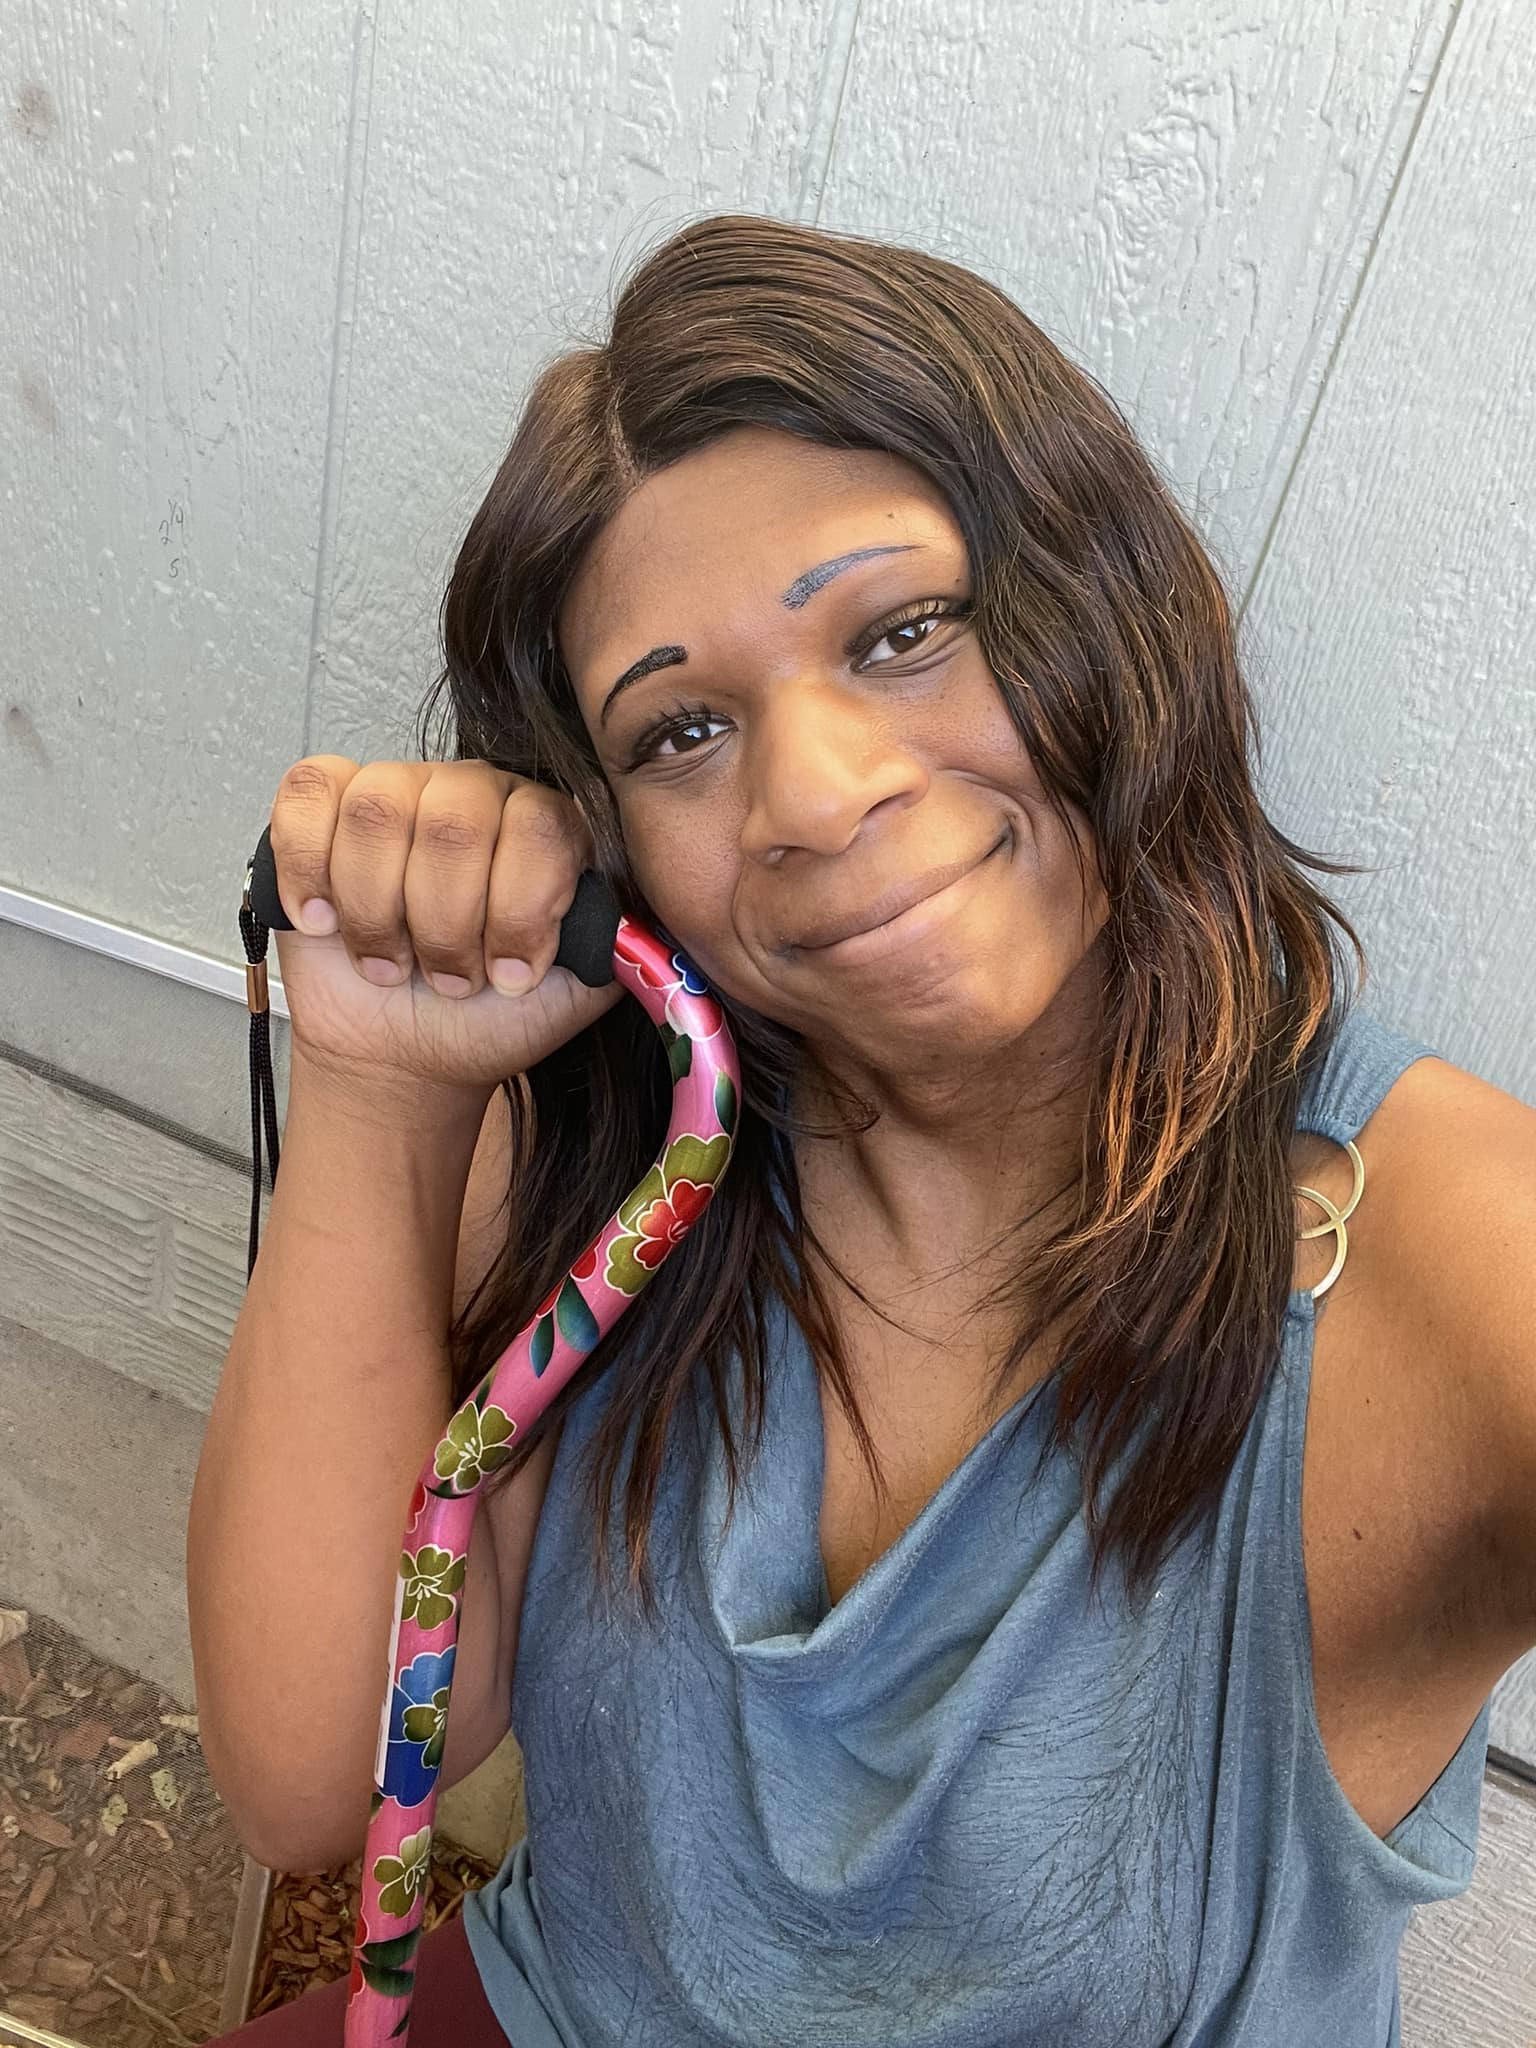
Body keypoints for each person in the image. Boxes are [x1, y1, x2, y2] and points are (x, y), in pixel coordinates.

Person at [191, 213, 1536, 2046]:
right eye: (680, 733)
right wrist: (376, 1088)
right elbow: (315, 1789)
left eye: (904, 632)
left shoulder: (1437, 1250)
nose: (816, 795)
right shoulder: (619, 1137)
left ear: (1111, 605)